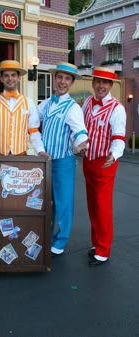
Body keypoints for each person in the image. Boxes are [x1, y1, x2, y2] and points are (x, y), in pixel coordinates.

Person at [37, 62, 88, 256]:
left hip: (62, 162)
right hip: (44, 162)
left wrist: (82, 142)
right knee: (44, 202)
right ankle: (46, 235)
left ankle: (61, 239)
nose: (62, 82)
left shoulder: (73, 107)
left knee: (63, 203)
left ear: (71, 82)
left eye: (67, 79)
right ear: (54, 78)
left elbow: (80, 131)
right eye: (59, 77)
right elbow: (32, 118)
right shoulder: (46, 103)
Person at [82, 66, 126, 266]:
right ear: (93, 83)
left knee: (102, 205)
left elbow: (118, 137)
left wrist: (114, 154)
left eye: (105, 82)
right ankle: (96, 243)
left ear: (110, 85)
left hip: (105, 162)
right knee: (92, 204)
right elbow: (81, 128)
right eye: (98, 81)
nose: (101, 85)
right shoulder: (88, 102)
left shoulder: (117, 108)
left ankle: (103, 250)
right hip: (88, 160)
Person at [0, 60, 48, 157]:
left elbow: (34, 131)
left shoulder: (29, 103)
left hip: (21, 156)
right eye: (6, 75)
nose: (10, 78)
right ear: (1, 79)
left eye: (13, 75)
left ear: (19, 77)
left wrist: (40, 150)